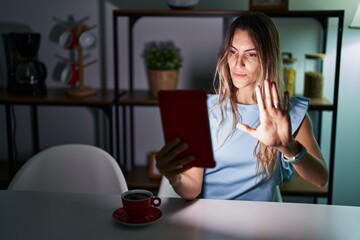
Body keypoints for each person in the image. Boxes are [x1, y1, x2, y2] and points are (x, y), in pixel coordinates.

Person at [155, 12, 328, 201]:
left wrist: (289, 147)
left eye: (251, 54)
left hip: (260, 224)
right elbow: (192, 189)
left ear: (268, 58)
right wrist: (173, 175)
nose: (238, 63)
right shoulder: (204, 110)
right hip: (208, 220)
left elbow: (320, 179)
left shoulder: (289, 113)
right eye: (233, 52)